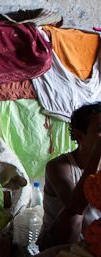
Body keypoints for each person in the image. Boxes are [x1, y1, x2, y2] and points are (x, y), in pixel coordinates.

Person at [40, 102, 101, 248]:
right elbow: (76, 207)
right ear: (79, 136)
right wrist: (97, 152)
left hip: (92, 243)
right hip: (59, 244)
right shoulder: (59, 167)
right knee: (74, 217)